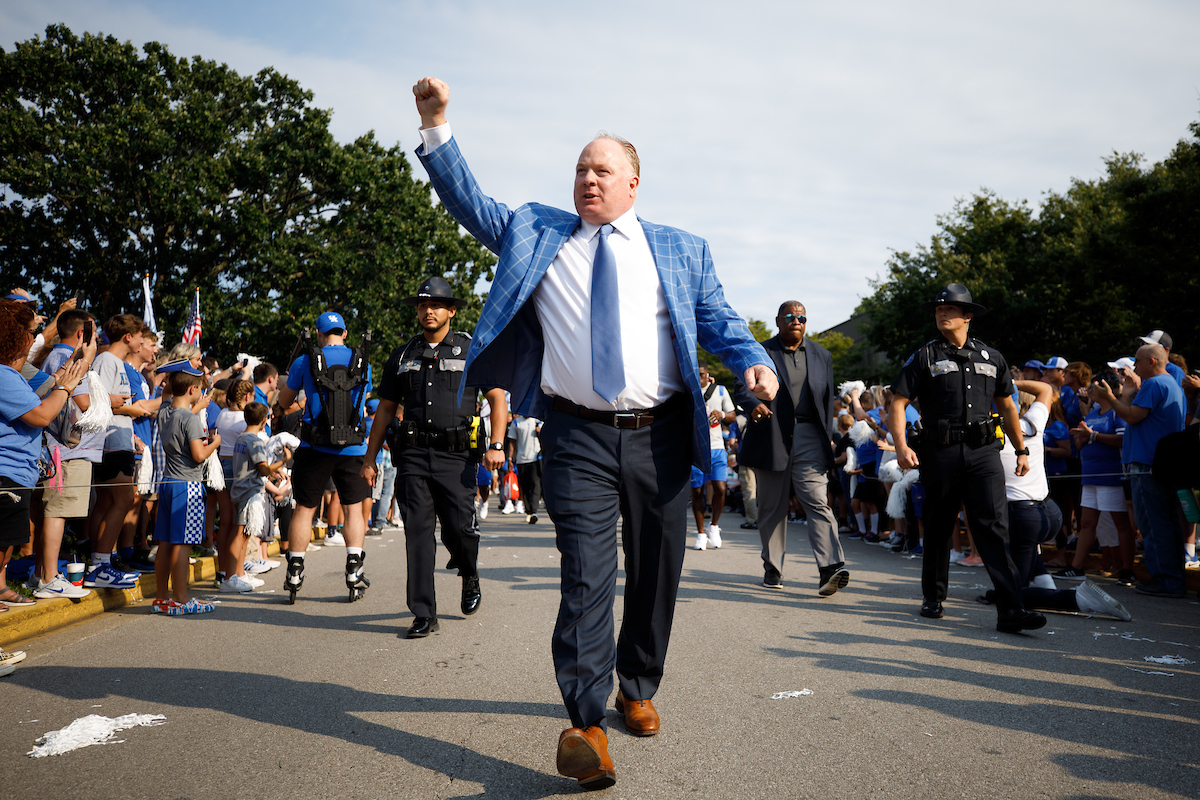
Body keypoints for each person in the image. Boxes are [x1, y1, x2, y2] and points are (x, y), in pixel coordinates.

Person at [412, 75, 777, 789]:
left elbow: (721, 323)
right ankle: (583, 726)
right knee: (585, 575)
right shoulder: (538, 232)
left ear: (633, 184)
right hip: (575, 435)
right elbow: (469, 202)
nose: (587, 179)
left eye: (601, 170)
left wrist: (755, 362)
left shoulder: (681, 248)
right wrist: (436, 124)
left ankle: (637, 687)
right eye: (580, 168)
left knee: (656, 570)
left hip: (663, 433)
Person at [887, 283, 1046, 634]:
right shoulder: (924, 356)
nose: (942, 313)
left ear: (968, 316)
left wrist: (1020, 449)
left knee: (993, 527)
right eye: (938, 309)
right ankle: (934, 596)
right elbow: (897, 402)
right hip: (940, 451)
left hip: (984, 452)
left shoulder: (992, 358)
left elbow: (1007, 405)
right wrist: (900, 446)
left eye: (950, 309)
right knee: (940, 524)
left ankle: (1010, 610)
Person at [362, 276, 507, 638]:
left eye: (436, 305)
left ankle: (468, 571)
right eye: (423, 305)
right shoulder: (403, 354)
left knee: (460, 527)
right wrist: (369, 458)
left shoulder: (472, 350)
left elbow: (497, 398)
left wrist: (498, 445)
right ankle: (424, 613)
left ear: (451, 311)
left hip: (457, 457)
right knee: (418, 533)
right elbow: (384, 410)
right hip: (412, 455)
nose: (428, 311)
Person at [980, 378, 1131, 622]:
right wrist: (1009, 380)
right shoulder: (1032, 422)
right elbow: (1046, 389)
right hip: (1049, 512)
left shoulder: (987, 437)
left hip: (1021, 518)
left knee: (1010, 594)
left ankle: (1074, 599)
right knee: (1019, 570)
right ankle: (1044, 583)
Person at [735, 301, 847, 595]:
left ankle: (830, 569)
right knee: (771, 506)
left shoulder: (822, 355)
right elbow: (741, 386)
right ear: (778, 321)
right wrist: (754, 404)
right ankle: (773, 568)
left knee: (816, 500)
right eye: (790, 316)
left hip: (810, 435)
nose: (796, 320)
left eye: (801, 317)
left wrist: (828, 437)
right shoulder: (761, 351)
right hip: (771, 434)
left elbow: (825, 403)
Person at [277, 311, 374, 603]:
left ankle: (295, 570)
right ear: (344, 333)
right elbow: (364, 400)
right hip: (354, 449)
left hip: (314, 447)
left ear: (319, 334)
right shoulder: (362, 362)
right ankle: (354, 570)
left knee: (304, 508)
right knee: (353, 509)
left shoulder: (305, 361)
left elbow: (284, 401)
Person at [0, 299, 89, 617]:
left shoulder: (16, 373)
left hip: (18, 474)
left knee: (6, 545)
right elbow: (41, 414)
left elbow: (50, 389)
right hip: (5, 474)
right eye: (30, 330)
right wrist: (66, 385)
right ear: (13, 335)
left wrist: (69, 374)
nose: (37, 335)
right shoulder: (4, 375)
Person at [1090, 343, 1187, 597]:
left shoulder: (1155, 384)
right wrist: (1130, 392)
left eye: (1137, 362)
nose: (1134, 367)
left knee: (1153, 524)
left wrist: (1110, 397)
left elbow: (1131, 416)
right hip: (1162, 463)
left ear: (1151, 362)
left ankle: (1166, 581)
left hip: (1147, 463)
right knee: (1166, 523)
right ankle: (1172, 579)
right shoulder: (1171, 384)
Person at [152, 361, 218, 615]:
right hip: (188, 486)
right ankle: (180, 599)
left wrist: (174, 372)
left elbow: (169, 394)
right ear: (192, 389)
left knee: (166, 543)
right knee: (183, 544)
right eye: (200, 388)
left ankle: (161, 598)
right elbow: (199, 455)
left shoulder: (165, 411)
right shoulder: (189, 419)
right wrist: (215, 443)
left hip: (168, 482)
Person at [227, 402, 289, 593]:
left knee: (245, 534)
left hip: (241, 488)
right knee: (240, 535)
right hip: (249, 491)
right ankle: (230, 577)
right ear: (264, 421)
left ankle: (239, 574)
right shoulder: (254, 441)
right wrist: (284, 460)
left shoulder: (241, 438)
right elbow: (263, 468)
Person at [689, 363, 735, 549]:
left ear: (708, 375)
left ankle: (714, 526)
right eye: (695, 374)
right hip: (696, 448)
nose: (698, 378)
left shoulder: (720, 391)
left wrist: (722, 413)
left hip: (717, 447)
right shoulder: (687, 391)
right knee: (698, 491)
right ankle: (700, 533)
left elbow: (732, 416)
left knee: (720, 489)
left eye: (701, 374)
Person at [506, 413, 543, 524]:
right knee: (525, 485)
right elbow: (512, 442)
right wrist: (509, 458)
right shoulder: (516, 422)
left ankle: (534, 511)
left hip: (535, 458)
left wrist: (539, 432)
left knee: (535, 484)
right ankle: (528, 511)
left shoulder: (537, 420)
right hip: (521, 459)